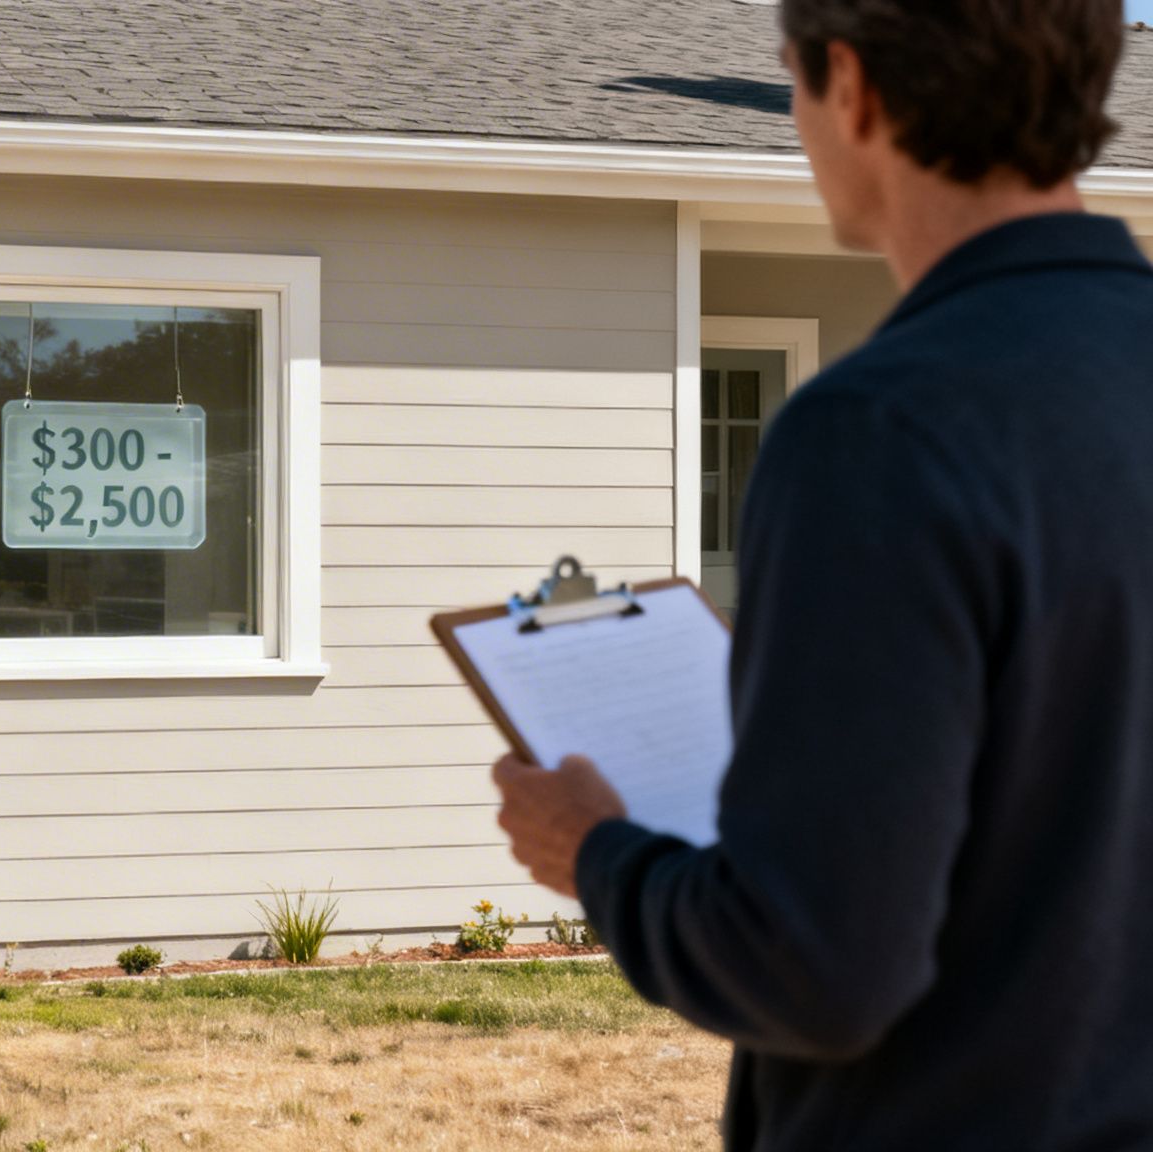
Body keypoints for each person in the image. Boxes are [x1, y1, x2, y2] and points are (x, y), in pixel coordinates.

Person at [489, 1, 1153, 1147]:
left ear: (848, 86)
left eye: (789, 85)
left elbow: (816, 968)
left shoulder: (875, 432)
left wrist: (593, 850)